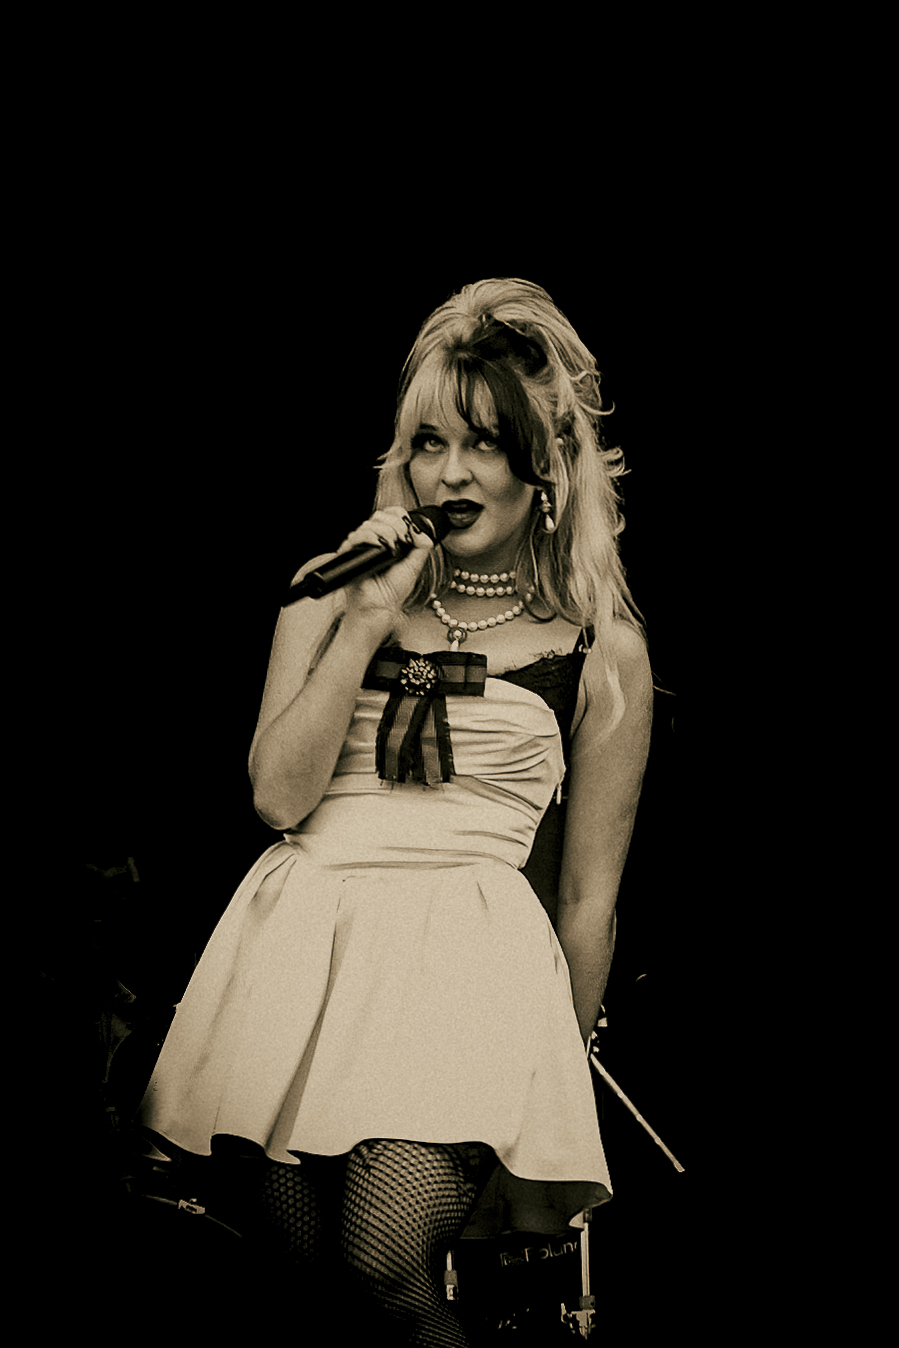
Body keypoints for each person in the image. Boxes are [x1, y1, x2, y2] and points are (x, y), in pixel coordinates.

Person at [137, 278, 653, 1345]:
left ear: (544, 466)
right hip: (301, 950)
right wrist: (368, 614)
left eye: (482, 444)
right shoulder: (332, 591)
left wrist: (549, 1079)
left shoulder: (600, 650)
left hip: (467, 970)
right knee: (300, 1283)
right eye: (426, 443)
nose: (448, 472)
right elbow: (277, 795)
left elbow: (587, 898)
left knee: (384, 1259)